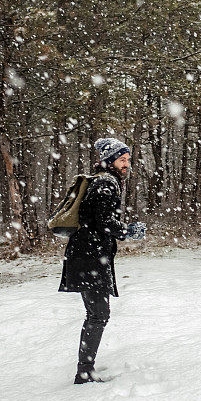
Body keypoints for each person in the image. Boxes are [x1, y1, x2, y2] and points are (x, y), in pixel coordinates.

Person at [59, 137, 146, 384]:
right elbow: (105, 222)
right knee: (98, 314)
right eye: (121, 160)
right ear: (109, 162)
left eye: (128, 160)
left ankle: (85, 369)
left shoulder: (102, 182)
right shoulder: (106, 185)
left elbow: (100, 221)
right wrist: (128, 231)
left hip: (87, 256)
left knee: (96, 314)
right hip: (89, 259)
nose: (126, 164)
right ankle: (84, 373)